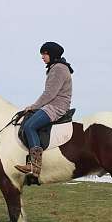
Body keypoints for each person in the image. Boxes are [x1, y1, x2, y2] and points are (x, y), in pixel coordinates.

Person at [15, 41, 74, 178]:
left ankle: (34, 165)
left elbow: (49, 94)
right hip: (53, 104)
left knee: (29, 126)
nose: (42, 57)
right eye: (42, 54)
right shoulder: (56, 67)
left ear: (52, 54)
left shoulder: (58, 69)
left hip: (56, 106)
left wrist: (33, 106)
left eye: (45, 54)